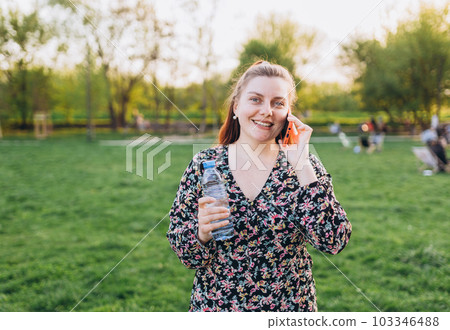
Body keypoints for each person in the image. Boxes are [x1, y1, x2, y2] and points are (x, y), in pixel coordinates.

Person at [167, 61, 352, 312]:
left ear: (289, 113)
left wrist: (301, 165)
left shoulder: (302, 167)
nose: (267, 111)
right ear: (236, 106)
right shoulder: (204, 165)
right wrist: (202, 233)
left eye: (278, 102)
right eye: (255, 99)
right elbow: (186, 255)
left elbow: (334, 240)